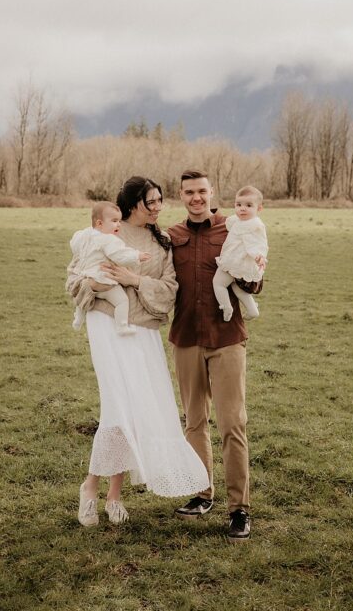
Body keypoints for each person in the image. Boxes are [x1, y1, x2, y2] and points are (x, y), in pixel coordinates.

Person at [69, 176, 209, 527]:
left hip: (143, 329)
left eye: (161, 201)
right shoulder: (105, 233)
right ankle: (90, 488)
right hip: (108, 324)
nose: (159, 207)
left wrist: (134, 281)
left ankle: (113, 496)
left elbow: (169, 289)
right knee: (117, 407)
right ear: (133, 204)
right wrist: (91, 282)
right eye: (152, 202)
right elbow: (75, 276)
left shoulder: (162, 244)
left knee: (133, 412)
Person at [168, 170, 263, 542]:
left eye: (202, 191)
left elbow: (256, 274)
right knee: (194, 422)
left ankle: (239, 509)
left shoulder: (234, 227)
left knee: (232, 425)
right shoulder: (171, 237)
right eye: (189, 192)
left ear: (212, 193)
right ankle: (201, 494)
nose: (196, 197)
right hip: (187, 338)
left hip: (226, 340)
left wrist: (251, 278)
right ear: (181, 195)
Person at [68, 201, 151, 335]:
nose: (118, 224)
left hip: (86, 277)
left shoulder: (84, 235)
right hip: (104, 280)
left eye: (119, 220)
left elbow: (74, 245)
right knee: (122, 301)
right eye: (114, 221)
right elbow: (120, 255)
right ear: (100, 223)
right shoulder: (109, 239)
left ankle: (78, 318)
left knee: (83, 295)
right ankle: (122, 326)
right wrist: (137, 256)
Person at [213, 185, 268, 322]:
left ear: (259, 208)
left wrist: (259, 256)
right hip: (239, 265)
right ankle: (252, 310)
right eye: (239, 205)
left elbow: (260, 243)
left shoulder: (255, 225)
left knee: (218, 284)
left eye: (249, 205)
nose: (242, 208)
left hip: (234, 261)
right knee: (236, 287)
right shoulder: (237, 220)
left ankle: (226, 306)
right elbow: (227, 223)